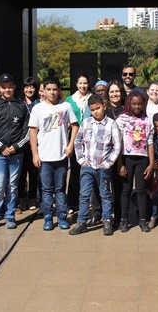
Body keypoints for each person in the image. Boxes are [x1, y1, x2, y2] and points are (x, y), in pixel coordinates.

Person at [29, 77, 79, 231]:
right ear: (43, 90)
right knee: (46, 189)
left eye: (55, 89)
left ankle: (62, 216)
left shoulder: (66, 107)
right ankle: (48, 218)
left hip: (61, 156)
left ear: (59, 90)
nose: (52, 92)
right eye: (48, 89)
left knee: (60, 188)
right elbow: (33, 132)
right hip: (44, 157)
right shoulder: (38, 108)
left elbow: (75, 126)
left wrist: (70, 145)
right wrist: (35, 154)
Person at [69, 94, 121, 236]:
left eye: (98, 108)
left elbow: (117, 146)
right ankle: (81, 222)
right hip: (87, 166)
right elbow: (78, 142)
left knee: (105, 194)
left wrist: (108, 163)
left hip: (103, 167)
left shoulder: (112, 124)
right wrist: (81, 160)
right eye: (92, 110)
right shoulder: (86, 123)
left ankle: (107, 221)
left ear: (104, 106)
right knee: (84, 194)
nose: (95, 112)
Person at [0, 74, 30, 229]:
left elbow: (28, 129)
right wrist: (1, 147)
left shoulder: (21, 105)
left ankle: (10, 215)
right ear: (0, 88)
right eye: (4, 86)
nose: (7, 89)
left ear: (14, 87)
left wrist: (16, 146)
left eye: (10, 86)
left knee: (12, 185)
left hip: (16, 153)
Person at [115, 90, 155, 232]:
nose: (137, 107)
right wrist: (120, 164)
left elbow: (150, 142)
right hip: (126, 159)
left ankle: (143, 220)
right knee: (125, 190)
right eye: (134, 104)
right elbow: (118, 143)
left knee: (141, 190)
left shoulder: (148, 120)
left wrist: (151, 163)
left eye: (139, 104)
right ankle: (124, 220)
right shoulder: (122, 119)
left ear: (143, 104)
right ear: (129, 104)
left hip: (142, 160)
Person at [65, 74, 92, 214]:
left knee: (90, 170)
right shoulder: (69, 100)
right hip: (75, 138)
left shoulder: (92, 98)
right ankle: (72, 202)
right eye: (80, 83)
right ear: (76, 84)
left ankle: (90, 202)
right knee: (75, 171)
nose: (83, 86)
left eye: (85, 83)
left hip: (90, 139)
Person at [104, 79, 126, 226]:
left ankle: (119, 217)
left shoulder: (127, 110)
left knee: (120, 187)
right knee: (104, 188)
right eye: (112, 91)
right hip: (106, 155)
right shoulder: (103, 111)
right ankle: (105, 216)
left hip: (123, 155)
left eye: (117, 91)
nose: (115, 94)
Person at [18, 77, 40, 212]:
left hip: (36, 144)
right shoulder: (18, 103)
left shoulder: (39, 104)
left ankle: (32, 198)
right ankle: (21, 199)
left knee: (33, 173)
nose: (29, 89)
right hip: (21, 144)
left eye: (32, 87)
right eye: (27, 87)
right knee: (21, 173)